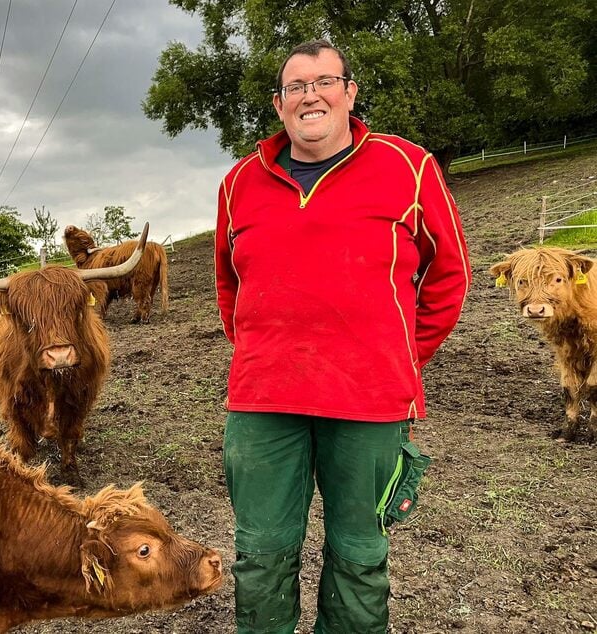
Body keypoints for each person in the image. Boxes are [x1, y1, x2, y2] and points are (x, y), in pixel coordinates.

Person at [214, 40, 471, 633]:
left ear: (349, 93)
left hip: (370, 400)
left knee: (359, 553)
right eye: (296, 87)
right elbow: (230, 286)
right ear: (279, 105)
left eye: (324, 82)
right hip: (263, 401)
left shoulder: (409, 166)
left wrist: (397, 356)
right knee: (260, 553)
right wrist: (265, 348)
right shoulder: (238, 184)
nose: (310, 96)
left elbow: (448, 276)